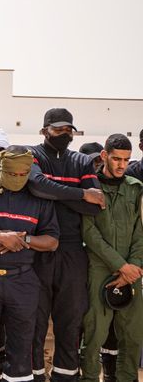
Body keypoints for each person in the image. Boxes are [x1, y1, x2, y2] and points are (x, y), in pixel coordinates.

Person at [0, 146, 60, 382]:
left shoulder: (39, 198)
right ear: (2, 169)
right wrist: (0, 238)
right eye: (12, 174)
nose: (18, 179)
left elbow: (51, 241)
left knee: (21, 345)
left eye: (23, 175)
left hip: (23, 279)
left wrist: (22, 239)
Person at [27, 108, 104, 382]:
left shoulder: (81, 161)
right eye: (59, 129)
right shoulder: (32, 155)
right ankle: (35, 376)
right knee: (34, 323)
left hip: (72, 251)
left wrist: (53, 193)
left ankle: (65, 376)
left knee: (70, 323)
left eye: (69, 130)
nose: (65, 134)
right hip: (37, 248)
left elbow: (96, 208)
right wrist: (82, 194)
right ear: (44, 130)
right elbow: (36, 186)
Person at [79, 134, 143, 382]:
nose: (121, 165)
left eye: (126, 160)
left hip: (133, 272)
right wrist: (120, 266)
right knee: (95, 334)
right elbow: (89, 232)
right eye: (116, 158)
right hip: (99, 269)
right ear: (104, 156)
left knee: (132, 335)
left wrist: (134, 266)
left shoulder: (135, 188)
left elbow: (141, 231)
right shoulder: (90, 188)